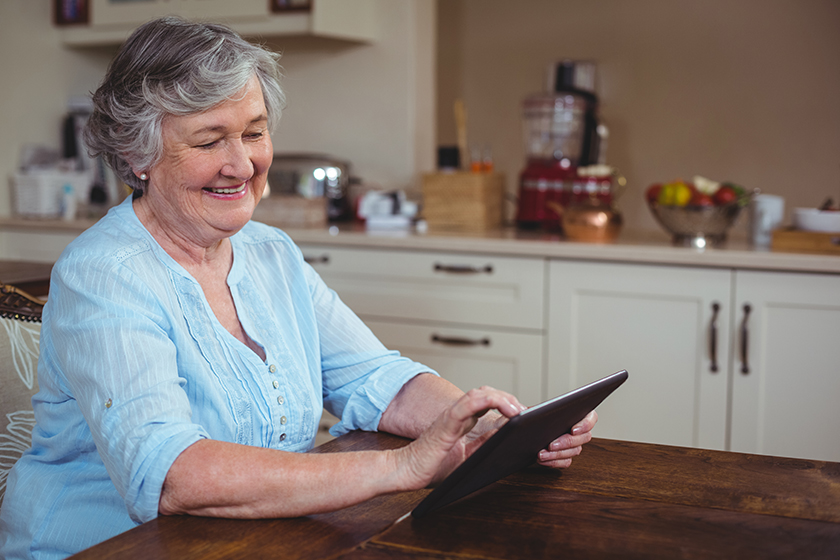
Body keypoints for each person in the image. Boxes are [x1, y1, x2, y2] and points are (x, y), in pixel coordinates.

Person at [0, 17, 597, 559]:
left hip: (249, 541)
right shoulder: (104, 275)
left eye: (254, 133)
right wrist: (405, 466)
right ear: (138, 155)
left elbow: (372, 376)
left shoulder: (270, 252)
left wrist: (493, 432)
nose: (243, 164)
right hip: (104, 548)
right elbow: (174, 475)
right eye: (210, 142)